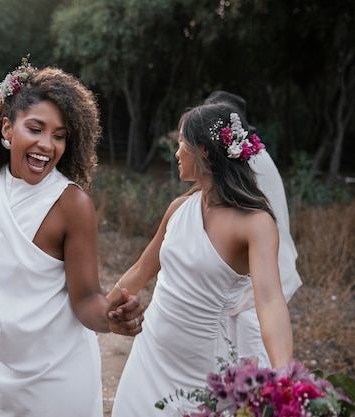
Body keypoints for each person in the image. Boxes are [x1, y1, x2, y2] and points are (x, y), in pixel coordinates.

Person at [0, 58, 145, 417]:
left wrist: (111, 318)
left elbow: (86, 300)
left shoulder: (72, 204)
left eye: (59, 135)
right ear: (6, 129)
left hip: (59, 382)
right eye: (36, 129)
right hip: (0, 376)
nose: (47, 145)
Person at [107, 102, 294, 416]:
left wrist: (283, 379)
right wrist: (100, 310)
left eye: (182, 144)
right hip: (150, 355)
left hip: (201, 371)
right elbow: (141, 269)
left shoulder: (255, 223)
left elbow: (270, 300)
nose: (177, 153)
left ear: (204, 150)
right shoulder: (179, 208)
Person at [204, 90, 302, 367]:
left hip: (259, 284)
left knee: (256, 369)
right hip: (254, 278)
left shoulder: (246, 162)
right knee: (238, 365)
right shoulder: (250, 156)